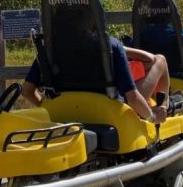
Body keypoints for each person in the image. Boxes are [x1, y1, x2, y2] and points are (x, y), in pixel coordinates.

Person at [21, 36, 168, 124]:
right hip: (110, 114)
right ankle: (165, 106)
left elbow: (27, 91)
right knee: (160, 60)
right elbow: (133, 98)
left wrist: (47, 106)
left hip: (62, 112)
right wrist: (152, 117)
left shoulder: (49, 48)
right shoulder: (110, 45)